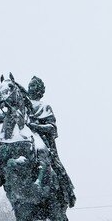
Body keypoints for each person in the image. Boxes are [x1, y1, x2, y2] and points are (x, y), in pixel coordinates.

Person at [24, 76, 76, 208]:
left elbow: (52, 128)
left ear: (39, 90)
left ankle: (68, 192)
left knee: (57, 166)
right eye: (30, 86)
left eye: (34, 86)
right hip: (25, 141)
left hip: (42, 142)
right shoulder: (23, 106)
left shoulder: (45, 106)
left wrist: (36, 127)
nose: (31, 89)